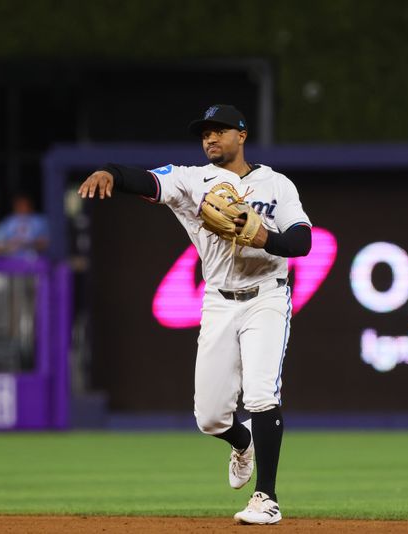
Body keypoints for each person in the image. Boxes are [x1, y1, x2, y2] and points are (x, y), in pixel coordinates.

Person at [78, 104, 312, 525]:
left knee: (261, 393)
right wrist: (111, 172)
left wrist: (265, 236)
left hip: (267, 297)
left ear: (242, 135)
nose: (210, 139)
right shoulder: (191, 179)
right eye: (205, 133)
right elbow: (147, 180)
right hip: (218, 301)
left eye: (219, 131)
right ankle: (243, 443)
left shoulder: (277, 184)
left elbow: (302, 241)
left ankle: (267, 497)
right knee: (209, 417)